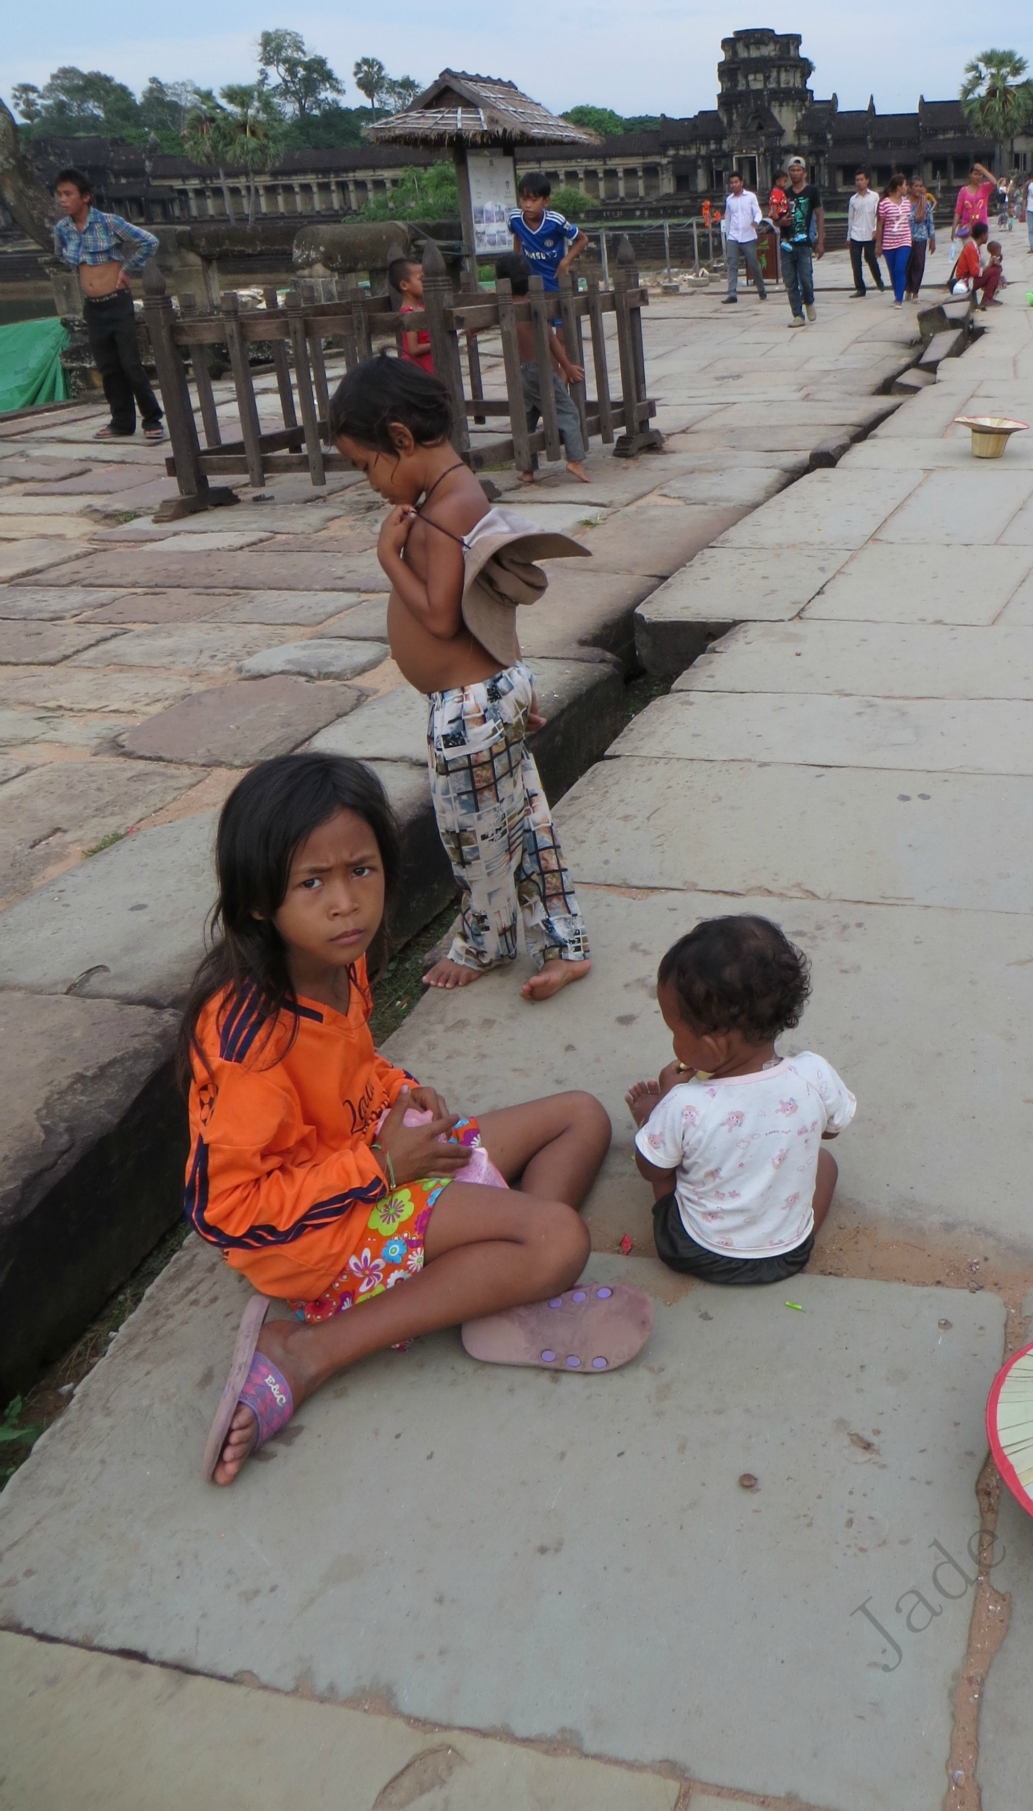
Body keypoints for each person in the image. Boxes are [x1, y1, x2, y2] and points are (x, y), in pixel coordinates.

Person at [186, 751, 654, 1486]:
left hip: (373, 1159)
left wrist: (400, 1093)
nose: (346, 903)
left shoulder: (340, 963)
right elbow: (228, 1212)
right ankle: (309, 1351)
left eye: (361, 871)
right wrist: (383, 1168)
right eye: (312, 882)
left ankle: (495, 1273)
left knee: (581, 1116)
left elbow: (356, 1070)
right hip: (319, 1233)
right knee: (559, 1236)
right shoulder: (254, 1041)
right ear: (256, 900)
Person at [330, 357, 593, 994]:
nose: (370, 483)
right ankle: (561, 941)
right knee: (525, 823)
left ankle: (484, 943)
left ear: (398, 439)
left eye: (367, 466)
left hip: (467, 711)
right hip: (489, 694)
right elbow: (487, 601)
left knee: (472, 834)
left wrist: (388, 559)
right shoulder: (453, 495)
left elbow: (443, 618)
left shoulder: (447, 510)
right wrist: (512, 688)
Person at [625, 915, 853, 1285]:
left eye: (674, 1030)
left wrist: (660, 1111)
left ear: (711, 1047)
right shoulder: (814, 1074)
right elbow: (831, 1132)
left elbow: (651, 1170)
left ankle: (656, 1130)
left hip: (694, 1249)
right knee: (825, 1163)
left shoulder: (685, 1103)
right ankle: (795, 1234)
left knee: (666, 1158)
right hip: (788, 1257)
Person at [51, 167, 164, 442]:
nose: (62, 200)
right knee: (108, 368)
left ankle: (152, 418)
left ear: (85, 197)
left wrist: (127, 269)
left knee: (130, 365)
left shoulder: (108, 223)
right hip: (94, 307)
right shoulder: (62, 229)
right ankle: (121, 422)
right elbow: (61, 255)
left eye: (68, 194)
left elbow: (149, 241)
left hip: (117, 302)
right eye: (59, 195)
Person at [493, 255, 590, 484]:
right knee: (568, 411)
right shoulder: (532, 305)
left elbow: (476, 324)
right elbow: (551, 340)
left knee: (527, 419)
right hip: (539, 370)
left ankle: (527, 469)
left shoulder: (502, 307)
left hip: (519, 372)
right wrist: (567, 367)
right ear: (529, 279)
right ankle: (575, 459)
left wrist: (472, 331)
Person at [507, 173, 587, 308]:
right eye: (524, 199)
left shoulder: (555, 221)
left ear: (546, 201)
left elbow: (583, 239)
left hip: (555, 281)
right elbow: (517, 234)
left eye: (533, 200)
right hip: (531, 285)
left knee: (562, 324)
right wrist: (517, 260)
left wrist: (565, 262)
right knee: (538, 324)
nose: (527, 205)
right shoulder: (515, 218)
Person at [775, 155, 822, 326]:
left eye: (798, 170)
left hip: (804, 243)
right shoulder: (783, 194)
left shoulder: (812, 192)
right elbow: (774, 216)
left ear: (804, 173)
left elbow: (819, 214)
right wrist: (780, 222)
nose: (795, 173)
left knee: (805, 279)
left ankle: (808, 300)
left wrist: (820, 241)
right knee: (790, 280)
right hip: (787, 243)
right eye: (792, 170)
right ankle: (797, 314)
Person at [720, 170, 768, 303]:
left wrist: (756, 222)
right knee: (732, 264)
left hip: (748, 235)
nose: (734, 185)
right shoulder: (729, 200)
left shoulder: (751, 197)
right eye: (731, 183)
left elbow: (758, 213)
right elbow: (728, 217)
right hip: (733, 236)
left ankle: (761, 289)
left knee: (753, 264)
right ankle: (732, 293)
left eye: (736, 182)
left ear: (741, 183)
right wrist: (728, 234)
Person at [388, 258, 434, 374]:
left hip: (431, 363)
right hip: (419, 368)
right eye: (421, 279)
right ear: (404, 285)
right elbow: (413, 349)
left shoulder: (422, 307)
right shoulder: (408, 313)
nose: (426, 282)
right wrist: (438, 342)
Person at [846, 169, 885, 297]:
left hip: (870, 233)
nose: (859, 182)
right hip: (856, 234)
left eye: (861, 180)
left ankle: (878, 280)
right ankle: (860, 288)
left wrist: (876, 230)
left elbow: (877, 215)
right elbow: (851, 218)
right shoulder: (853, 200)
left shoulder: (874, 197)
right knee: (855, 263)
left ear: (867, 180)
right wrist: (848, 236)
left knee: (871, 259)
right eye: (857, 180)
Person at [876, 171, 913, 303]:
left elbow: (908, 222)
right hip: (889, 242)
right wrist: (878, 245)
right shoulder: (884, 203)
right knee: (893, 271)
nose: (907, 188)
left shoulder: (907, 203)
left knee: (900, 268)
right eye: (905, 185)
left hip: (904, 241)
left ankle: (899, 299)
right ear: (898, 187)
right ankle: (897, 292)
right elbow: (880, 224)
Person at [951, 161, 999, 258]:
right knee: (971, 254)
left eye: (980, 175)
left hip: (981, 227)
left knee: (981, 258)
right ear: (970, 175)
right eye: (975, 174)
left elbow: (994, 182)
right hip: (967, 228)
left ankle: (978, 272)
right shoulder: (964, 191)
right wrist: (953, 229)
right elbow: (958, 210)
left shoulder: (984, 188)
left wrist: (982, 169)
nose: (977, 177)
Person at [908, 176, 937, 296]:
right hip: (906, 238)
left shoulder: (925, 203)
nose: (919, 189)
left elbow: (930, 221)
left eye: (921, 186)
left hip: (921, 237)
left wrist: (932, 239)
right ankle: (907, 289)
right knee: (907, 265)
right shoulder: (904, 203)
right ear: (910, 188)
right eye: (916, 186)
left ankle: (915, 291)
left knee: (918, 264)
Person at [951, 218, 983, 293]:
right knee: (993, 271)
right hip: (964, 280)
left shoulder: (974, 247)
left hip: (967, 278)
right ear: (982, 235)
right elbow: (975, 272)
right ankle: (987, 298)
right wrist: (988, 267)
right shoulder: (971, 248)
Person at [978, 239, 1005, 308]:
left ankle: (990, 298)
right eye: (999, 250)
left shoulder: (994, 257)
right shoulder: (993, 258)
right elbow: (997, 266)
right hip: (983, 275)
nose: (1000, 252)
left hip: (985, 274)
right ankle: (987, 299)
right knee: (996, 271)